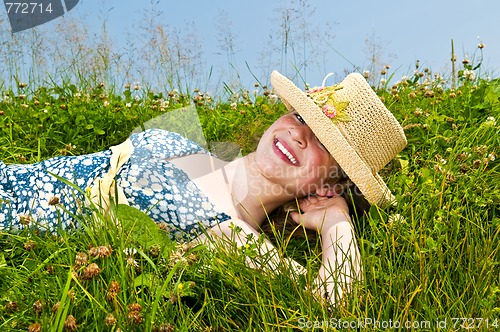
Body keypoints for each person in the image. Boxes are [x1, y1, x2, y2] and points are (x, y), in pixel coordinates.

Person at [0, 70, 407, 305]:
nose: (299, 135)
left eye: (324, 144)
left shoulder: (229, 233)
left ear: (328, 186)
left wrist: (337, 224)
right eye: (300, 117)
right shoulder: (190, 145)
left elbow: (333, 305)